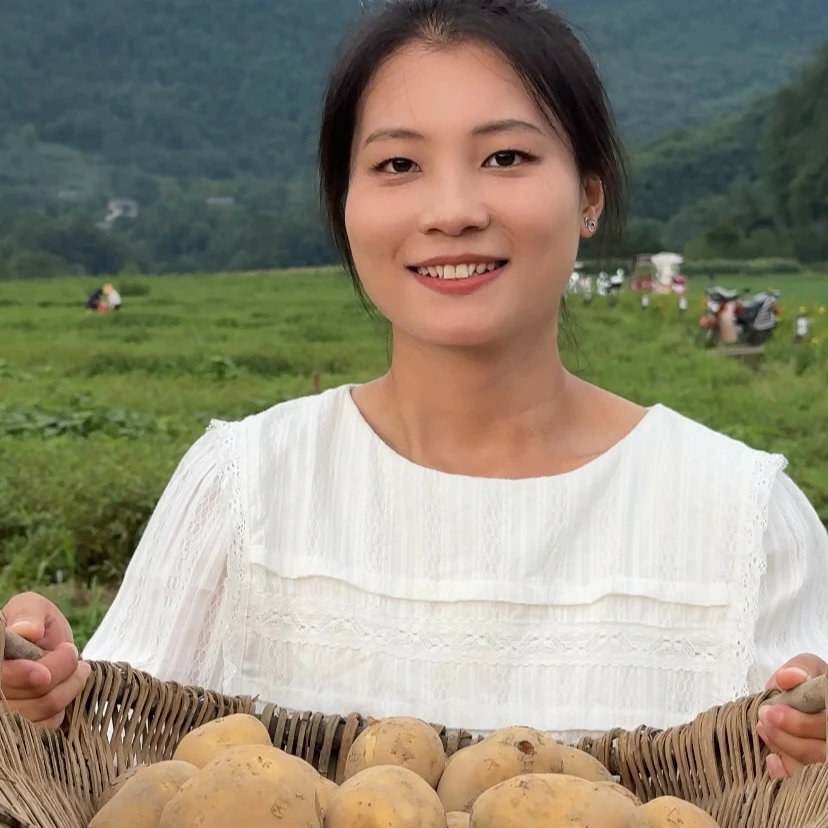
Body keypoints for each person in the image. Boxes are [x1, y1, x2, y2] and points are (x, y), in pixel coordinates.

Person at [3, 0, 827, 782]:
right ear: (346, 204)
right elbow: (111, 759)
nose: (453, 210)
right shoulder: (242, 486)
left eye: (506, 157)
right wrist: (49, 695)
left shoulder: (745, 517)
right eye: (398, 164)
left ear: (588, 192)